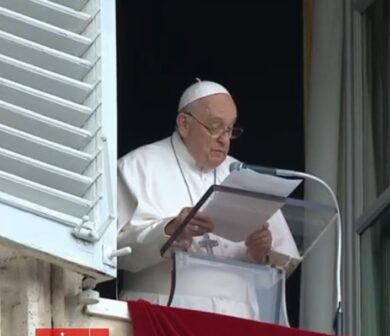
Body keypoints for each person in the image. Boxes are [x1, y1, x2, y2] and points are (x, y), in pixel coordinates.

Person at [117, 79, 300, 323]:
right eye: (215, 127)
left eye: (230, 129)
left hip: (239, 318)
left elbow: (284, 261)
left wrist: (262, 252)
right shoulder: (138, 166)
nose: (224, 139)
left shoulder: (245, 176)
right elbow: (114, 251)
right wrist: (170, 230)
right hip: (163, 316)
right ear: (184, 124)